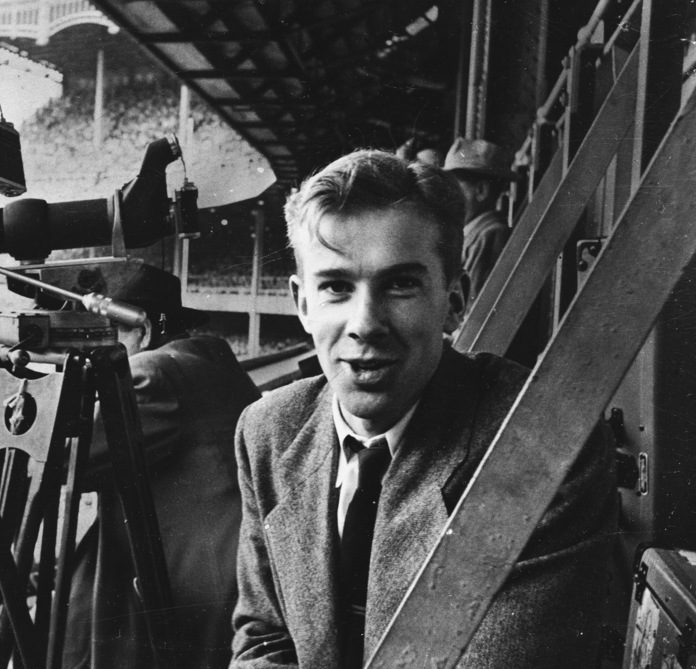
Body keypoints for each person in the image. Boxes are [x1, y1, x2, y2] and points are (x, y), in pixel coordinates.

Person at [230, 150, 618, 667]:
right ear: (303, 304)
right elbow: (263, 638)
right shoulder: (268, 431)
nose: (365, 323)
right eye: (336, 287)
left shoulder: (544, 444)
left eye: (400, 284)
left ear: (454, 300)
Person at [64, 263, 261, 669]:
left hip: (191, 592)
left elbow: (65, 461)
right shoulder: (211, 358)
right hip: (241, 573)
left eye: (105, 334)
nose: (90, 349)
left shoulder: (150, 372)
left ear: (145, 330)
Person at [443, 137, 514, 305]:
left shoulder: (491, 234)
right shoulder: (472, 233)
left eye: (454, 188)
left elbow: (471, 312)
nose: (447, 197)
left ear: (481, 190)